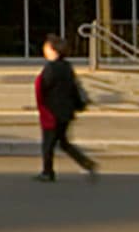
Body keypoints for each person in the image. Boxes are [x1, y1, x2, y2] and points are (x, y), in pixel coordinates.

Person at [35, 34, 97, 183]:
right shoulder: (67, 67)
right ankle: (85, 162)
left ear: (53, 50)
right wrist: (79, 105)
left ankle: (47, 172)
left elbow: (44, 87)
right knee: (63, 142)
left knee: (48, 143)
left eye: (47, 47)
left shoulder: (51, 68)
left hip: (52, 112)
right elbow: (73, 88)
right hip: (66, 112)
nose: (45, 50)